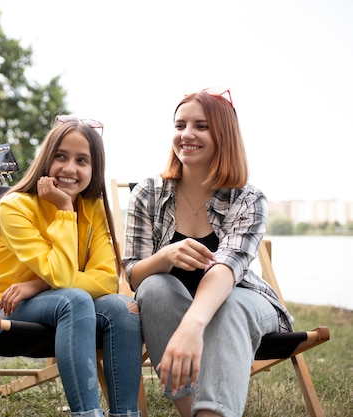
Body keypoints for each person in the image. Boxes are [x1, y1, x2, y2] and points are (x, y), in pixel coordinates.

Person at [122, 88, 294, 417]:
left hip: (242, 301)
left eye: (201, 126)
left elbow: (226, 268)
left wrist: (192, 326)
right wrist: (166, 256)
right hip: (171, 305)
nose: (187, 134)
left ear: (223, 135)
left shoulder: (247, 198)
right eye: (180, 125)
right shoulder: (148, 193)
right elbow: (134, 275)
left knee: (230, 304)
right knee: (155, 287)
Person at [0, 116, 143, 417]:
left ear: (93, 169)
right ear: (47, 159)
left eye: (82, 160)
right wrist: (64, 210)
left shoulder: (94, 207)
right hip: (7, 308)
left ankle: (126, 414)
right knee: (75, 299)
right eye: (61, 156)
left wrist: (37, 284)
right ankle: (87, 414)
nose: (70, 168)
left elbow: (107, 280)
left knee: (122, 308)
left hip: (59, 302)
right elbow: (61, 275)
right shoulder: (15, 206)